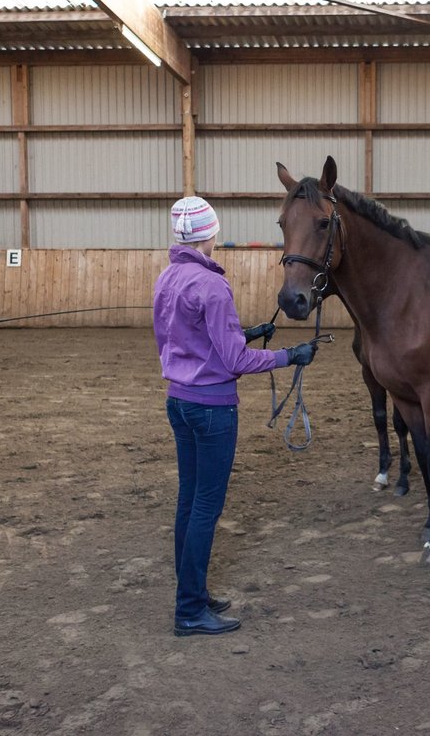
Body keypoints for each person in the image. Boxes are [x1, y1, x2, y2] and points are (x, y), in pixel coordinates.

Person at [153, 196, 318, 638]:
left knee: (189, 501)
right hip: (212, 407)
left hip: (179, 400)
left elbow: (185, 340)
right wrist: (288, 355)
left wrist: (246, 334)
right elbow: (235, 362)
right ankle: (189, 610)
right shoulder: (212, 285)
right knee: (206, 505)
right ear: (212, 232)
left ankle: (193, 590)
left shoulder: (168, 277)